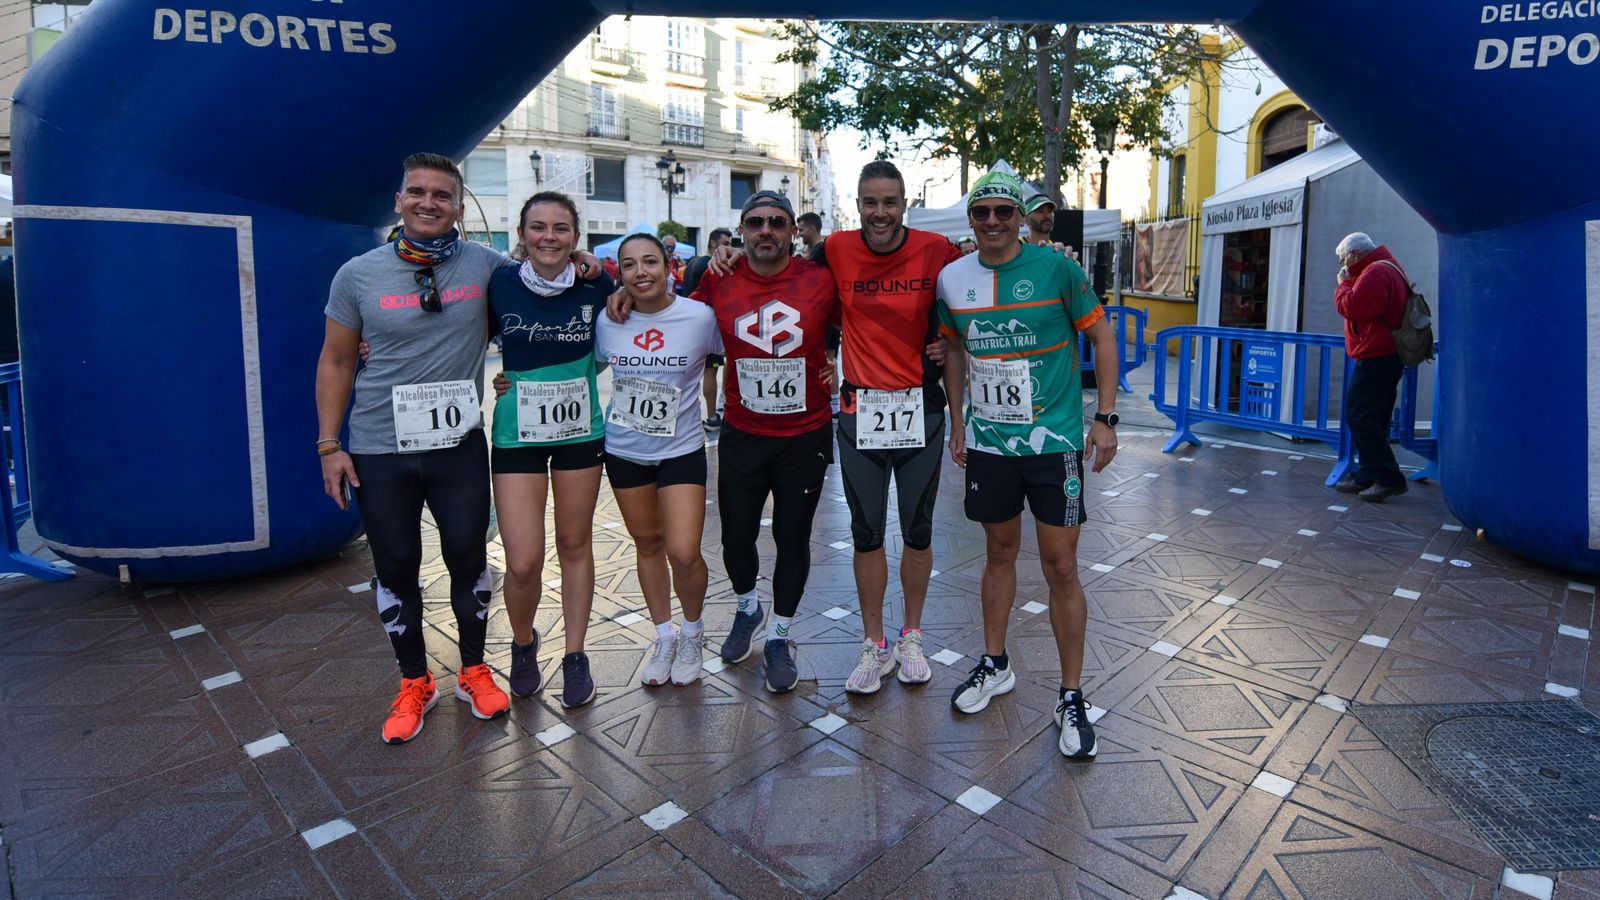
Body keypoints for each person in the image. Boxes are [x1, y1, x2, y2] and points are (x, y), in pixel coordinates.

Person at [316, 152, 510, 744]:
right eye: (417, 192)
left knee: (467, 558)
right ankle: (413, 680)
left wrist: (584, 266)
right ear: (399, 201)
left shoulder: (490, 268)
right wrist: (330, 444)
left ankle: (472, 669)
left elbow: (540, 302)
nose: (428, 203)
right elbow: (338, 359)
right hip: (379, 446)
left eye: (442, 195)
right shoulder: (358, 274)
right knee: (395, 564)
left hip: (457, 447)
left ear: (458, 206)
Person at [938, 170, 1119, 760]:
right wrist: (959, 421)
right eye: (981, 211)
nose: (992, 221)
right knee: (997, 553)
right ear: (971, 219)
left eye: (1002, 211)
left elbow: (1103, 337)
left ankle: (1071, 694)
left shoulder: (1058, 268)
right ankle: (996, 664)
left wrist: (1106, 418)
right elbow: (956, 351)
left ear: (1019, 216)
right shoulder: (953, 278)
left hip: (1055, 443)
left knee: (1061, 565)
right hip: (991, 445)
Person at [814, 161, 960, 695]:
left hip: (921, 407)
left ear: (905, 204)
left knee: (918, 531)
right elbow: (788, 280)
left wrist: (1047, 253)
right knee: (867, 531)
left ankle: (912, 636)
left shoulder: (937, 248)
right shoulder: (834, 249)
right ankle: (874, 644)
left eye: (890, 202)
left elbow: (983, 281)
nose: (880, 213)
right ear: (858, 204)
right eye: (870, 202)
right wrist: (727, 261)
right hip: (860, 414)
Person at [698, 192, 839, 691]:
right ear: (741, 229)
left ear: (792, 231)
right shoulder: (717, 278)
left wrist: (840, 363)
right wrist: (615, 289)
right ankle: (746, 608)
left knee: (792, 537)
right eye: (755, 222)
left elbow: (866, 318)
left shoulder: (820, 279)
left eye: (777, 222)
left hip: (805, 436)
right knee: (734, 535)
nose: (766, 231)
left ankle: (780, 635)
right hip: (742, 432)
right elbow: (667, 317)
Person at [488, 191, 612, 709]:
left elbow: (626, 331)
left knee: (574, 545)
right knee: (522, 561)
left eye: (560, 229)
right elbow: (454, 334)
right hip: (516, 433)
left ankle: (576, 654)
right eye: (538, 227)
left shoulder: (597, 284)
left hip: (580, 433)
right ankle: (523, 644)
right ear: (522, 234)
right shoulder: (498, 283)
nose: (549, 237)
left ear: (575, 238)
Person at [597, 233, 722, 686]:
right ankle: (664, 634)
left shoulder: (699, 317)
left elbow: (743, 352)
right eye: (629, 266)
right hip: (625, 451)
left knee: (684, 550)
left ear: (670, 266)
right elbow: (580, 367)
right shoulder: (607, 320)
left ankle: (692, 631)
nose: (640, 272)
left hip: (681, 450)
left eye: (650, 262)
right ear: (620, 273)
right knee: (647, 544)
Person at [1332, 232, 1410, 502]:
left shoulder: (1375, 272)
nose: (1343, 264)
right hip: (1384, 354)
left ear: (1355, 254)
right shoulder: (1384, 266)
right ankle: (1368, 474)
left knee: (1359, 414)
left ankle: (1389, 478)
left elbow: (1353, 306)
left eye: (1344, 258)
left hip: (1377, 355)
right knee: (1374, 417)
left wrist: (1342, 285)